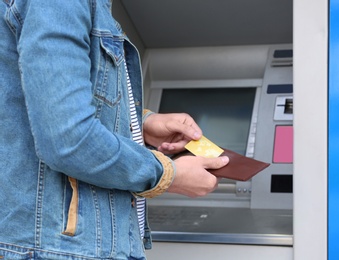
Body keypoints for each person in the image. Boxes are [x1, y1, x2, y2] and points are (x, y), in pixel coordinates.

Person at [0, 1, 229, 259]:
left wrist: (141, 124)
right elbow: (68, 140)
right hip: (61, 247)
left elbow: (39, 105)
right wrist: (169, 174)